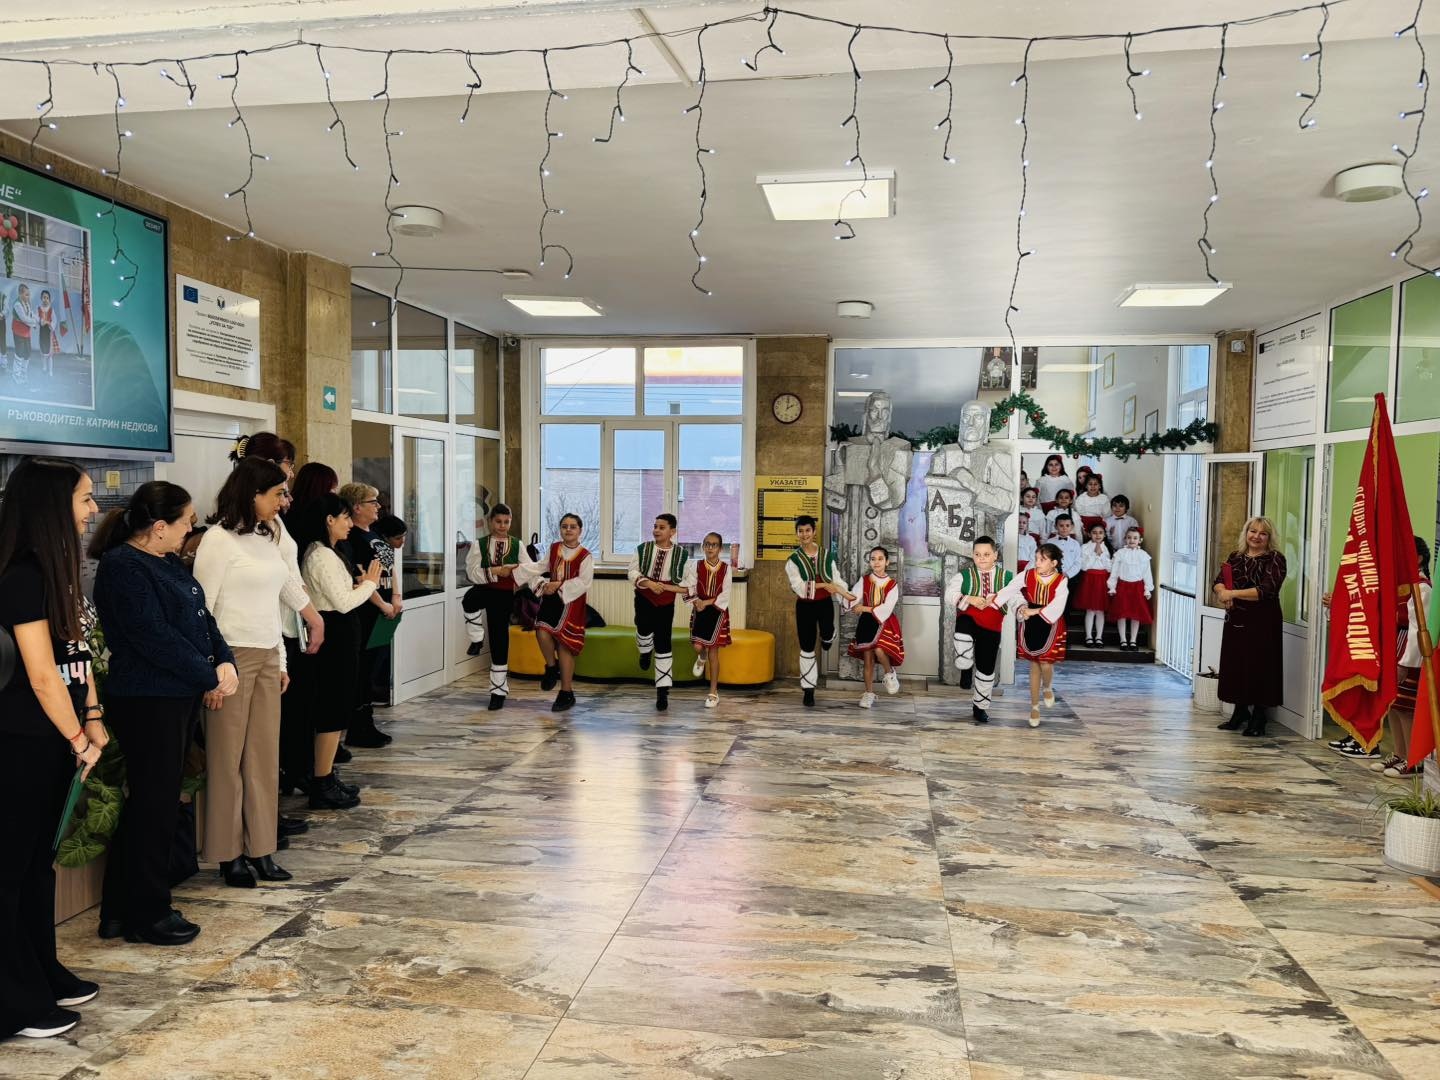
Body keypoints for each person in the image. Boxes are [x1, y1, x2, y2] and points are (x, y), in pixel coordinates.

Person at [90, 482, 235, 946]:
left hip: (175, 695)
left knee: (150, 805)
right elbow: (154, 637)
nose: (190, 529)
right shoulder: (123, 566)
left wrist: (224, 658)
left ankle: (117, 910)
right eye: (186, 522)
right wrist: (209, 674)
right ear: (158, 527)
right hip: (147, 700)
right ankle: (148, 913)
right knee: (154, 808)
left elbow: (202, 619)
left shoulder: (166, 561)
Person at [0, 458, 105, 1041]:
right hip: (21, 742)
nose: (94, 509)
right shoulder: (20, 576)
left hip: (55, 740)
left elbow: (75, 656)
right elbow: (42, 676)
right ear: (50, 507)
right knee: (11, 871)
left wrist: (92, 716)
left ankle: (40, 972)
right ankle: (13, 1001)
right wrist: (76, 738)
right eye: (85, 498)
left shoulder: (57, 570)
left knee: (37, 868)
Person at [193, 457, 301, 888]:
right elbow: (202, 610)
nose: (283, 501)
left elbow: (274, 603)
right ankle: (228, 854)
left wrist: (282, 659)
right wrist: (211, 672)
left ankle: (262, 848)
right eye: (276, 493)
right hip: (230, 658)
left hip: (268, 653)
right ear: (252, 494)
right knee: (226, 761)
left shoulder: (268, 534)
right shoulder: (217, 540)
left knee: (263, 758)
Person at [295, 494, 381, 809]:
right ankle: (322, 781)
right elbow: (343, 603)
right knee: (332, 709)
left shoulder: (330, 553)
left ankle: (327, 775)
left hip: (341, 637)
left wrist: (362, 585)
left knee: (338, 708)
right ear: (329, 520)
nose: (349, 524)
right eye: (344, 517)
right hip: (334, 639)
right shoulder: (320, 555)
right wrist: (370, 584)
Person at [1212, 516, 1287, 738]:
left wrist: (1231, 593)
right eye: (1253, 531)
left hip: (1263, 621)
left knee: (1260, 666)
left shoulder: (1275, 559)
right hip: (1237, 619)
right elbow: (1219, 581)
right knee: (1236, 664)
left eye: (1263, 533)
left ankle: (1259, 716)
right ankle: (1240, 711)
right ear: (1246, 533)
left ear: (1269, 538)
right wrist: (1222, 592)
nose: (1256, 536)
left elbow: (1266, 590)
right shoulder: (1235, 556)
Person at [515, 513, 593, 713]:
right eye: (564, 526)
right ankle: (551, 667)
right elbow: (540, 567)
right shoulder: (554, 548)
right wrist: (518, 570)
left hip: (571, 602)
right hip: (551, 600)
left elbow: (584, 582)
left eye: (573, 526)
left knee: (564, 645)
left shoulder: (585, 555)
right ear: (560, 529)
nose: (568, 529)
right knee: (541, 631)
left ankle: (566, 692)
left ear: (580, 530)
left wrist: (558, 585)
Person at [338, 482, 396, 748]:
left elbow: (389, 566)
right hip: (366, 611)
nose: (379, 506)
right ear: (357, 507)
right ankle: (359, 725)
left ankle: (366, 722)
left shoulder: (373, 533)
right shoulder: (352, 539)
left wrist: (396, 597)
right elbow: (360, 578)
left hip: (384, 609)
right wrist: (382, 604)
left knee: (374, 668)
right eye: (373, 502)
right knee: (363, 671)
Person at [464, 504, 530, 710]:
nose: (502, 526)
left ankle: (498, 691)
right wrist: (496, 571)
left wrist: (537, 584)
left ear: (510, 522)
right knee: (469, 599)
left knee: (499, 640)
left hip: (503, 596)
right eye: (498, 521)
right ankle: (476, 638)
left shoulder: (517, 544)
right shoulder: (479, 544)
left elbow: (528, 569)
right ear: (490, 522)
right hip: (484, 589)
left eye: (506, 522)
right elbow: (471, 572)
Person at [785, 515, 855, 707]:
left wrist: (847, 594)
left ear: (814, 531)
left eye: (808, 530)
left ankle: (828, 637)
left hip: (824, 604)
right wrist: (825, 585)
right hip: (804, 606)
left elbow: (836, 580)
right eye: (800, 531)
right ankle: (808, 690)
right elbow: (799, 587)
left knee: (826, 632)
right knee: (807, 647)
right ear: (797, 534)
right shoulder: (793, 561)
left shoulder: (826, 555)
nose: (804, 534)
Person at [996, 541, 1069, 727]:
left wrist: (1034, 611)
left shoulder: (1061, 580)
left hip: (1050, 621)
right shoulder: (1028, 574)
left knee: (1046, 663)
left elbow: (1058, 605)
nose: (1037, 562)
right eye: (1036, 558)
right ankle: (1034, 707)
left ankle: (1047, 687)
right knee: (1035, 664)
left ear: (1053, 563)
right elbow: (1010, 589)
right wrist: (994, 601)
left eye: (1042, 560)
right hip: (1030, 622)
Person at [945, 535, 1013, 724]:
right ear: (973, 555)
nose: (981, 558)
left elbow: (1016, 598)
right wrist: (970, 599)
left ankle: (980, 707)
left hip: (992, 625)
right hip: (969, 618)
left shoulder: (1007, 577)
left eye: (986, 554)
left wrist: (1022, 608)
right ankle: (965, 667)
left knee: (986, 668)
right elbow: (949, 593)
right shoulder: (964, 575)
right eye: (977, 554)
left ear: (995, 555)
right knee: (962, 632)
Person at [626, 513, 690, 712]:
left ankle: (662, 691)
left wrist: (669, 588)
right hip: (644, 597)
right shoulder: (643, 549)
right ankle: (645, 651)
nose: (656, 530)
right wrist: (649, 583)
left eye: (661, 527)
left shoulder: (681, 554)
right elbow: (632, 572)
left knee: (663, 642)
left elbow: (687, 582)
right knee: (643, 627)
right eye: (655, 526)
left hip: (666, 602)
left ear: (672, 531)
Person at [844, 546, 904, 708]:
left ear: (887, 562)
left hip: (884, 622)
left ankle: (889, 673)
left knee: (879, 649)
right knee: (868, 659)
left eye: (880, 559)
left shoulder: (892, 584)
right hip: (866, 623)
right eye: (873, 559)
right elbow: (853, 597)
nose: (876, 562)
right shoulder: (864, 580)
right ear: (870, 562)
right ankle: (868, 693)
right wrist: (841, 593)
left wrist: (864, 608)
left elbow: (887, 607)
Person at [684, 532, 732, 709]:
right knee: (698, 646)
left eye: (714, 545)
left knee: (713, 652)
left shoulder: (726, 569)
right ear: (703, 546)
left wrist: (706, 602)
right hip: (700, 610)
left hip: (717, 612)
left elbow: (725, 594)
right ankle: (701, 656)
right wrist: (696, 601)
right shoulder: (695, 565)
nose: (710, 548)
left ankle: (713, 693)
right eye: (707, 544)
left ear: (720, 548)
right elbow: (690, 586)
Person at [368, 514, 407, 706]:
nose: (402, 542)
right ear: (385, 536)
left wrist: (396, 596)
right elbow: (364, 580)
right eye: (398, 538)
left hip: (388, 605)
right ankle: (372, 692)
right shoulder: (370, 544)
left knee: (384, 651)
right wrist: (383, 604)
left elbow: (392, 571)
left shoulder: (386, 549)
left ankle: (381, 689)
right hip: (375, 606)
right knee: (374, 656)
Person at [1108, 527, 1155, 651]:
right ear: (1125, 539)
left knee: (1136, 614)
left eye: (1135, 538)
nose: (1132, 540)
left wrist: (1147, 589)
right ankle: (1123, 640)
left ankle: (1133, 640)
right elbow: (1114, 571)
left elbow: (1147, 573)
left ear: (1140, 540)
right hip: (1123, 586)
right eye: (1129, 537)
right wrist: (1112, 586)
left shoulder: (1143, 555)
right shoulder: (1120, 554)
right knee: (1121, 614)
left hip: (1137, 587)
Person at [1076, 523, 1113, 647]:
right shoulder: (1084, 547)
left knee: (1100, 610)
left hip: (1103, 579)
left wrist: (1101, 554)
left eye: (1100, 532)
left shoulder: (1108, 547)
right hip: (1089, 579)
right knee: (1090, 610)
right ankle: (1088, 637)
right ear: (1089, 534)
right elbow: (1084, 566)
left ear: (1105, 534)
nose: (1098, 535)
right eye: (1094, 532)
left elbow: (1109, 568)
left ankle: (1099, 637)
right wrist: (1094, 554)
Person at [9, 284, 37, 385]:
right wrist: (34, 323)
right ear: (20, 294)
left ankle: (23, 374)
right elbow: (24, 318)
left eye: (29, 294)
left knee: (27, 353)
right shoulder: (17, 304)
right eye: (26, 294)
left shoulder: (27, 303)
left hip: (26, 332)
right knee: (19, 353)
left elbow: (31, 314)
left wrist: (39, 320)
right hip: (18, 331)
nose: (28, 296)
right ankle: (16, 375)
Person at [1050, 514, 1082, 598]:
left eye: (1067, 525)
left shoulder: (1075, 544)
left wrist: (1068, 574)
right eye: (1061, 525)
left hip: (1070, 578)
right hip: (1053, 577)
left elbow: (1078, 563)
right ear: (1055, 527)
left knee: (1068, 600)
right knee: (1053, 598)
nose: (1064, 528)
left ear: (1072, 527)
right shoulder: (1049, 542)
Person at [36, 291, 56, 379]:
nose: (45, 299)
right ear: (41, 298)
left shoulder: (51, 310)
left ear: (49, 300)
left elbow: (54, 320)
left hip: (49, 333)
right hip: (42, 333)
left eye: (47, 298)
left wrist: (49, 323)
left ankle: (50, 371)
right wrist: (41, 321)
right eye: (44, 297)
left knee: (49, 354)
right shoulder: (39, 309)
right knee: (43, 351)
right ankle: (44, 367)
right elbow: (36, 318)